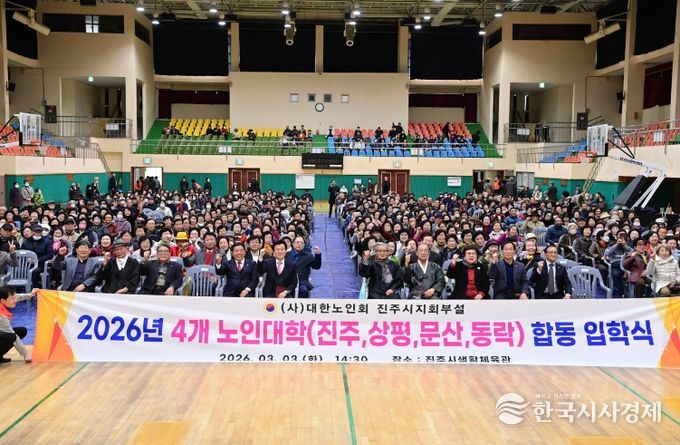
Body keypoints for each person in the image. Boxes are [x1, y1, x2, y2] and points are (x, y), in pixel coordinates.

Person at [0, 286, 36, 364]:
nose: (15, 301)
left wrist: (30, 295)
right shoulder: (1, 317)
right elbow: (12, 334)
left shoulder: (2, 300)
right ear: (2, 301)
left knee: (21, 331)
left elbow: (17, 297)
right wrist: (25, 354)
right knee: (11, 336)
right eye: (12, 299)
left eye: (14, 298)